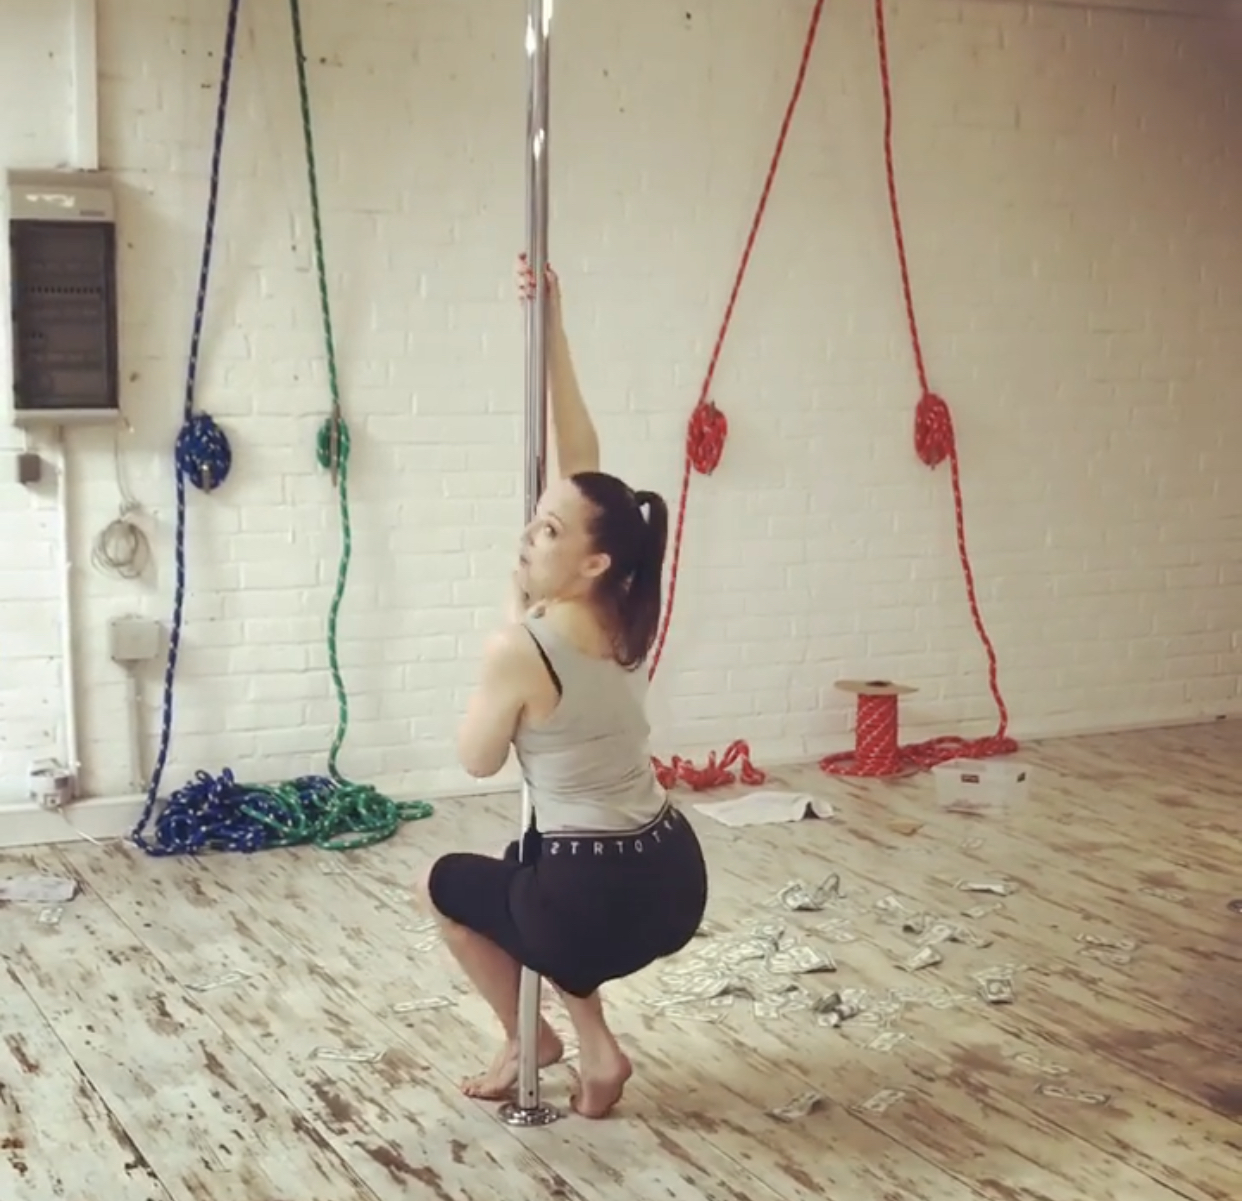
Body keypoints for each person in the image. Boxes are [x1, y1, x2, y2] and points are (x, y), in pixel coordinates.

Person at [419, 258, 709, 1120]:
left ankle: (530, 1041)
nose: (528, 533)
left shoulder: (521, 646)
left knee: (446, 886)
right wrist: (551, 326)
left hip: (593, 900)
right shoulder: (627, 604)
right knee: (530, 867)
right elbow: (584, 470)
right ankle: (598, 1048)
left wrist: (505, 634)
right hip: (673, 876)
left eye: (546, 530)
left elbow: (476, 761)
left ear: (591, 561)